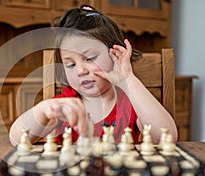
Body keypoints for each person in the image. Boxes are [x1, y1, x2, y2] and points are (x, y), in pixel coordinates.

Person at [9, 5, 178, 146]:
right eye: (70, 64)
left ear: (115, 54)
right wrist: (44, 110)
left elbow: (167, 137)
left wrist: (128, 78)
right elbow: (16, 139)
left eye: (89, 58)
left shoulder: (131, 103)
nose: (80, 70)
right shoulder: (64, 105)